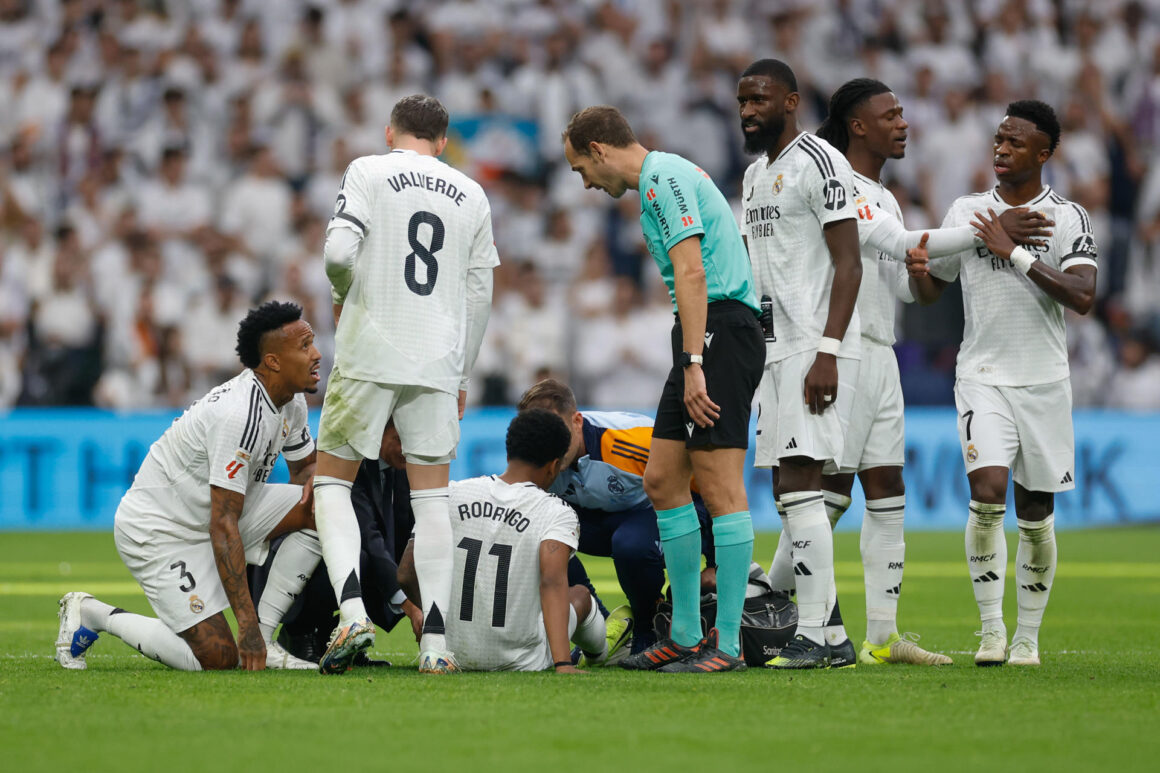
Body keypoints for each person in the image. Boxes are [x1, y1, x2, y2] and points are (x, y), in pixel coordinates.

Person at [790, 78, 1049, 666]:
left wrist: (926, 269)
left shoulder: (885, 194)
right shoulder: (838, 184)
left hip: (883, 352)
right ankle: (776, 599)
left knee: (887, 491)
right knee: (825, 493)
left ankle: (882, 638)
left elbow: (913, 288)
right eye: (892, 115)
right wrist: (992, 234)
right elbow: (900, 241)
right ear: (859, 125)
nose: (904, 124)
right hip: (842, 349)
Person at [563, 106, 764, 672]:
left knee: (721, 487)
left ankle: (726, 643)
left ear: (600, 149)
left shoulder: (663, 179)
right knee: (662, 477)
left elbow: (693, 272)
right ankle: (682, 632)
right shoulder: (661, 182)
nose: (583, 181)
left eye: (581, 167)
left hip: (719, 330)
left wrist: (695, 361)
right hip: (703, 332)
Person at [908, 100, 1098, 666]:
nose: (1001, 148)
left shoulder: (1068, 216)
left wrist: (1012, 253)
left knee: (1035, 512)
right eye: (998, 139)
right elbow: (932, 288)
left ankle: (1027, 639)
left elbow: (1083, 296)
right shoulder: (965, 210)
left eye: (1015, 142)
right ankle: (992, 632)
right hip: (981, 376)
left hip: (1043, 380)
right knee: (987, 493)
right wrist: (921, 276)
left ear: (1043, 154)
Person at [313, 94, 499, 674]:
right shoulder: (472, 194)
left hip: (371, 349)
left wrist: (346, 295)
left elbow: (339, 251)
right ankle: (437, 645)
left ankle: (351, 614)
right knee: (431, 500)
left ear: (389, 131)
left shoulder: (368, 170)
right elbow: (480, 295)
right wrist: (462, 372)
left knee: (332, 484)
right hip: (437, 359)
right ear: (443, 142)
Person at [55, 301, 324, 671]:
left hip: (218, 516)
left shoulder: (289, 401)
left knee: (324, 504)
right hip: (160, 530)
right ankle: (93, 613)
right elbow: (223, 522)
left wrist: (316, 486)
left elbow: (306, 468)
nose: (317, 354)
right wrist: (243, 624)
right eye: (305, 346)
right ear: (274, 362)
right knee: (218, 658)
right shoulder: (238, 415)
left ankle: (267, 638)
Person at [737, 58, 863, 669]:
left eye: (758, 99)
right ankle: (832, 635)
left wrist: (828, 351)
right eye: (741, 101)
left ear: (790, 101)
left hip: (810, 347)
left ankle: (814, 634)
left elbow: (849, 262)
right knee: (786, 488)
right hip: (769, 352)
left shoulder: (820, 161)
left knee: (801, 484)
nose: (747, 110)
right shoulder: (753, 177)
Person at [398, 410, 612, 672]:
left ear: (508, 452)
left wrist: (435, 625)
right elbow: (552, 580)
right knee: (579, 595)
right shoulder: (555, 512)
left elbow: (407, 572)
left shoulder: (450, 494)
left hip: (445, 652)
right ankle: (601, 655)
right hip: (522, 661)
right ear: (554, 465)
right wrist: (563, 663)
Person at [517, 377, 717, 656]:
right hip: (600, 519)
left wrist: (714, 562)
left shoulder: (632, 443)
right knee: (539, 532)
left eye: (556, 432)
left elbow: (707, 486)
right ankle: (598, 626)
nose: (548, 445)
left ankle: (647, 626)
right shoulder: (533, 455)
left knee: (630, 544)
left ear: (576, 421)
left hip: (652, 513)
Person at [254, 421, 423, 665]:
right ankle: (299, 632)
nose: (406, 449)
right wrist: (410, 607)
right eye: (399, 439)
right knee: (359, 560)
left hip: (348, 554)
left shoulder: (404, 467)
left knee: (383, 558)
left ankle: (333, 636)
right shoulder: (348, 460)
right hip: (282, 563)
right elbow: (369, 537)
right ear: (378, 431)